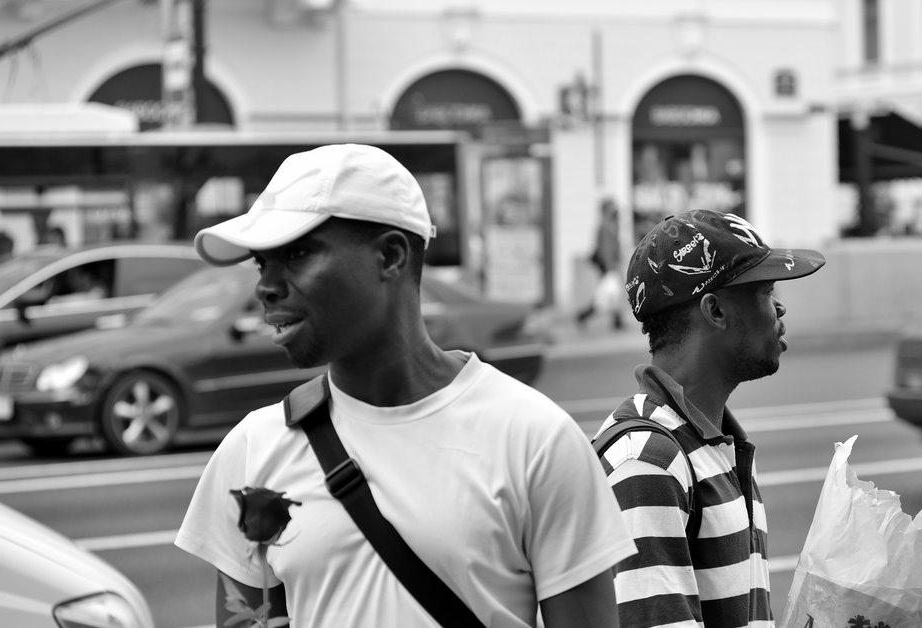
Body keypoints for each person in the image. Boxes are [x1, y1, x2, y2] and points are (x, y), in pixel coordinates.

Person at [176, 144, 636, 628]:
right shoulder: (253, 449)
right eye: (260, 263)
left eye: (295, 254)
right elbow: (245, 620)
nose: (265, 287)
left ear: (390, 256)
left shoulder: (537, 439)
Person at [594, 209, 825, 628]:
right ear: (715, 311)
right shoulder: (647, 462)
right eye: (764, 291)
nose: (780, 307)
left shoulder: (716, 445)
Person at [578, 198, 625, 330]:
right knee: (606, 295)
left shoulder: (612, 225)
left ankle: (617, 320)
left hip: (611, 265)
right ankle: (583, 315)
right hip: (608, 266)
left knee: (612, 293)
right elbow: (606, 248)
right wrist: (610, 265)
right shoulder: (604, 226)